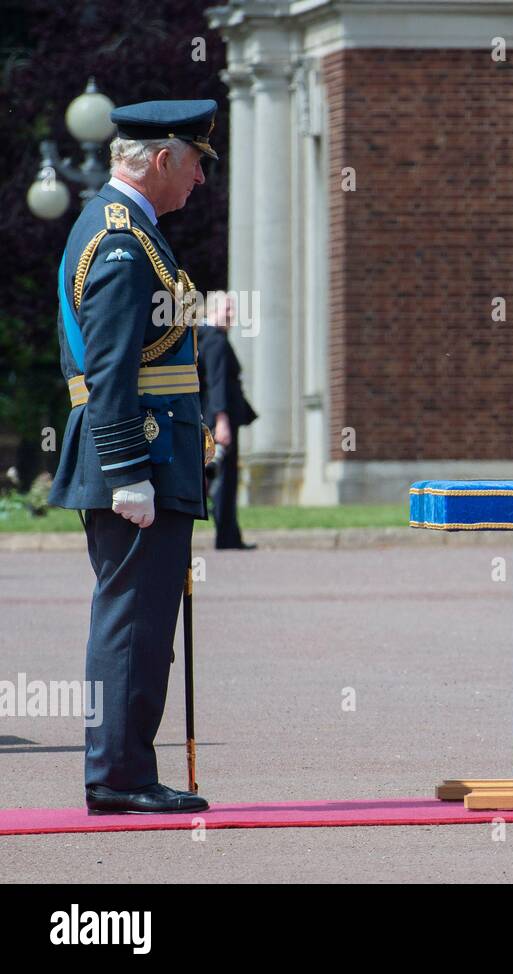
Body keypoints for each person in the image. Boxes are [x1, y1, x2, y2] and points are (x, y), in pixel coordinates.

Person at [48, 99, 219, 813]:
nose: (201, 182)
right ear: (160, 159)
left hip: (149, 455)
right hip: (137, 458)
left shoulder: (129, 232)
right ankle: (119, 777)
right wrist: (128, 475)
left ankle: (123, 771)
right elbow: (113, 370)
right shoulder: (122, 243)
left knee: (142, 624)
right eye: (197, 164)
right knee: (132, 625)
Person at [198, 293, 257, 550]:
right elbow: (218, 384)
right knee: (223, 478)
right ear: (212, 311)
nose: (231, 314)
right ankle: (227, 537)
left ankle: (229, 535)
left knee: (216, 476)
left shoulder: (204, 338)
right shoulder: (216, 341)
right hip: (220, 420)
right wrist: (222, 421)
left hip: (212, 417)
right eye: (227, 309)